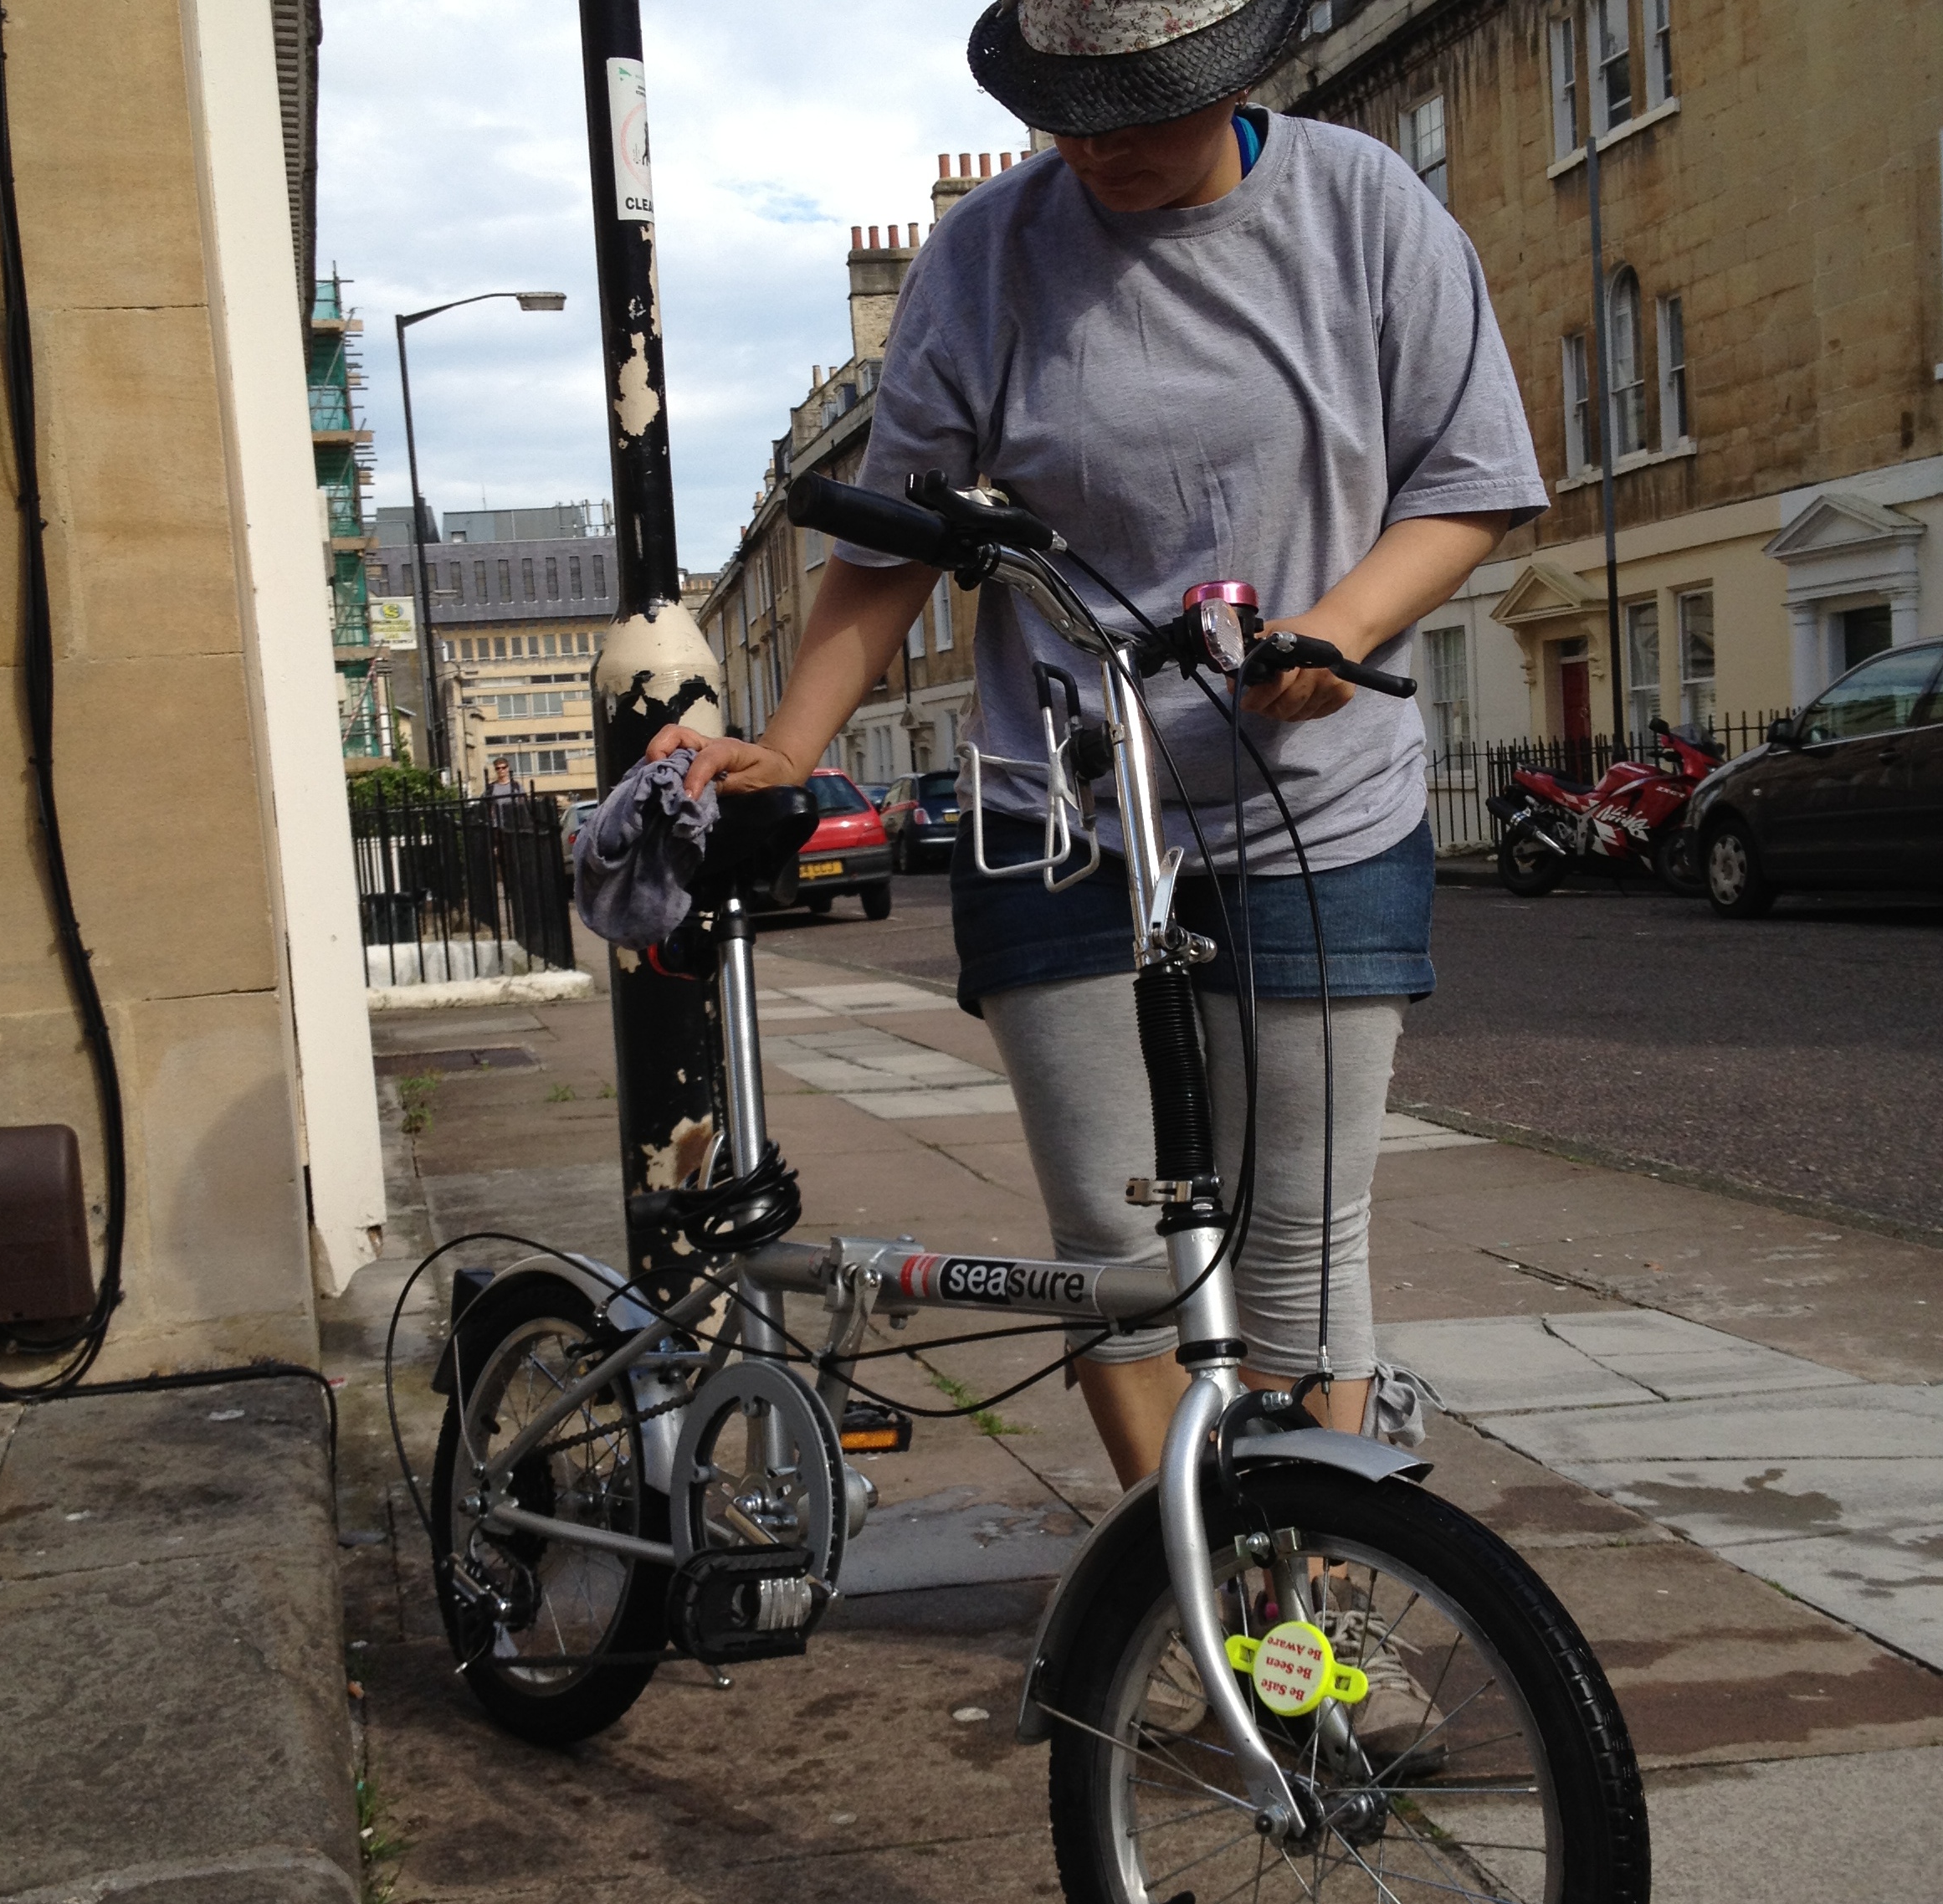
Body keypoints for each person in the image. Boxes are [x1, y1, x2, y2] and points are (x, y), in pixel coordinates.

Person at [651, 0, 1546, 1498]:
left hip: (1315, 810)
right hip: (1057, 815)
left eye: (1139, 106)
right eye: (1063, 112)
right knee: (1118, 1246)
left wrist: (1337, 629)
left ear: (1236, 71)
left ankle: (1308, 1592)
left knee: (1298, 1246)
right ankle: (1173, 1580)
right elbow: (893, 539)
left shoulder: (1363, 208)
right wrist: (791, 743)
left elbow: (1470, 479)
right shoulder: (986, 254)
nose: (1094, 146)